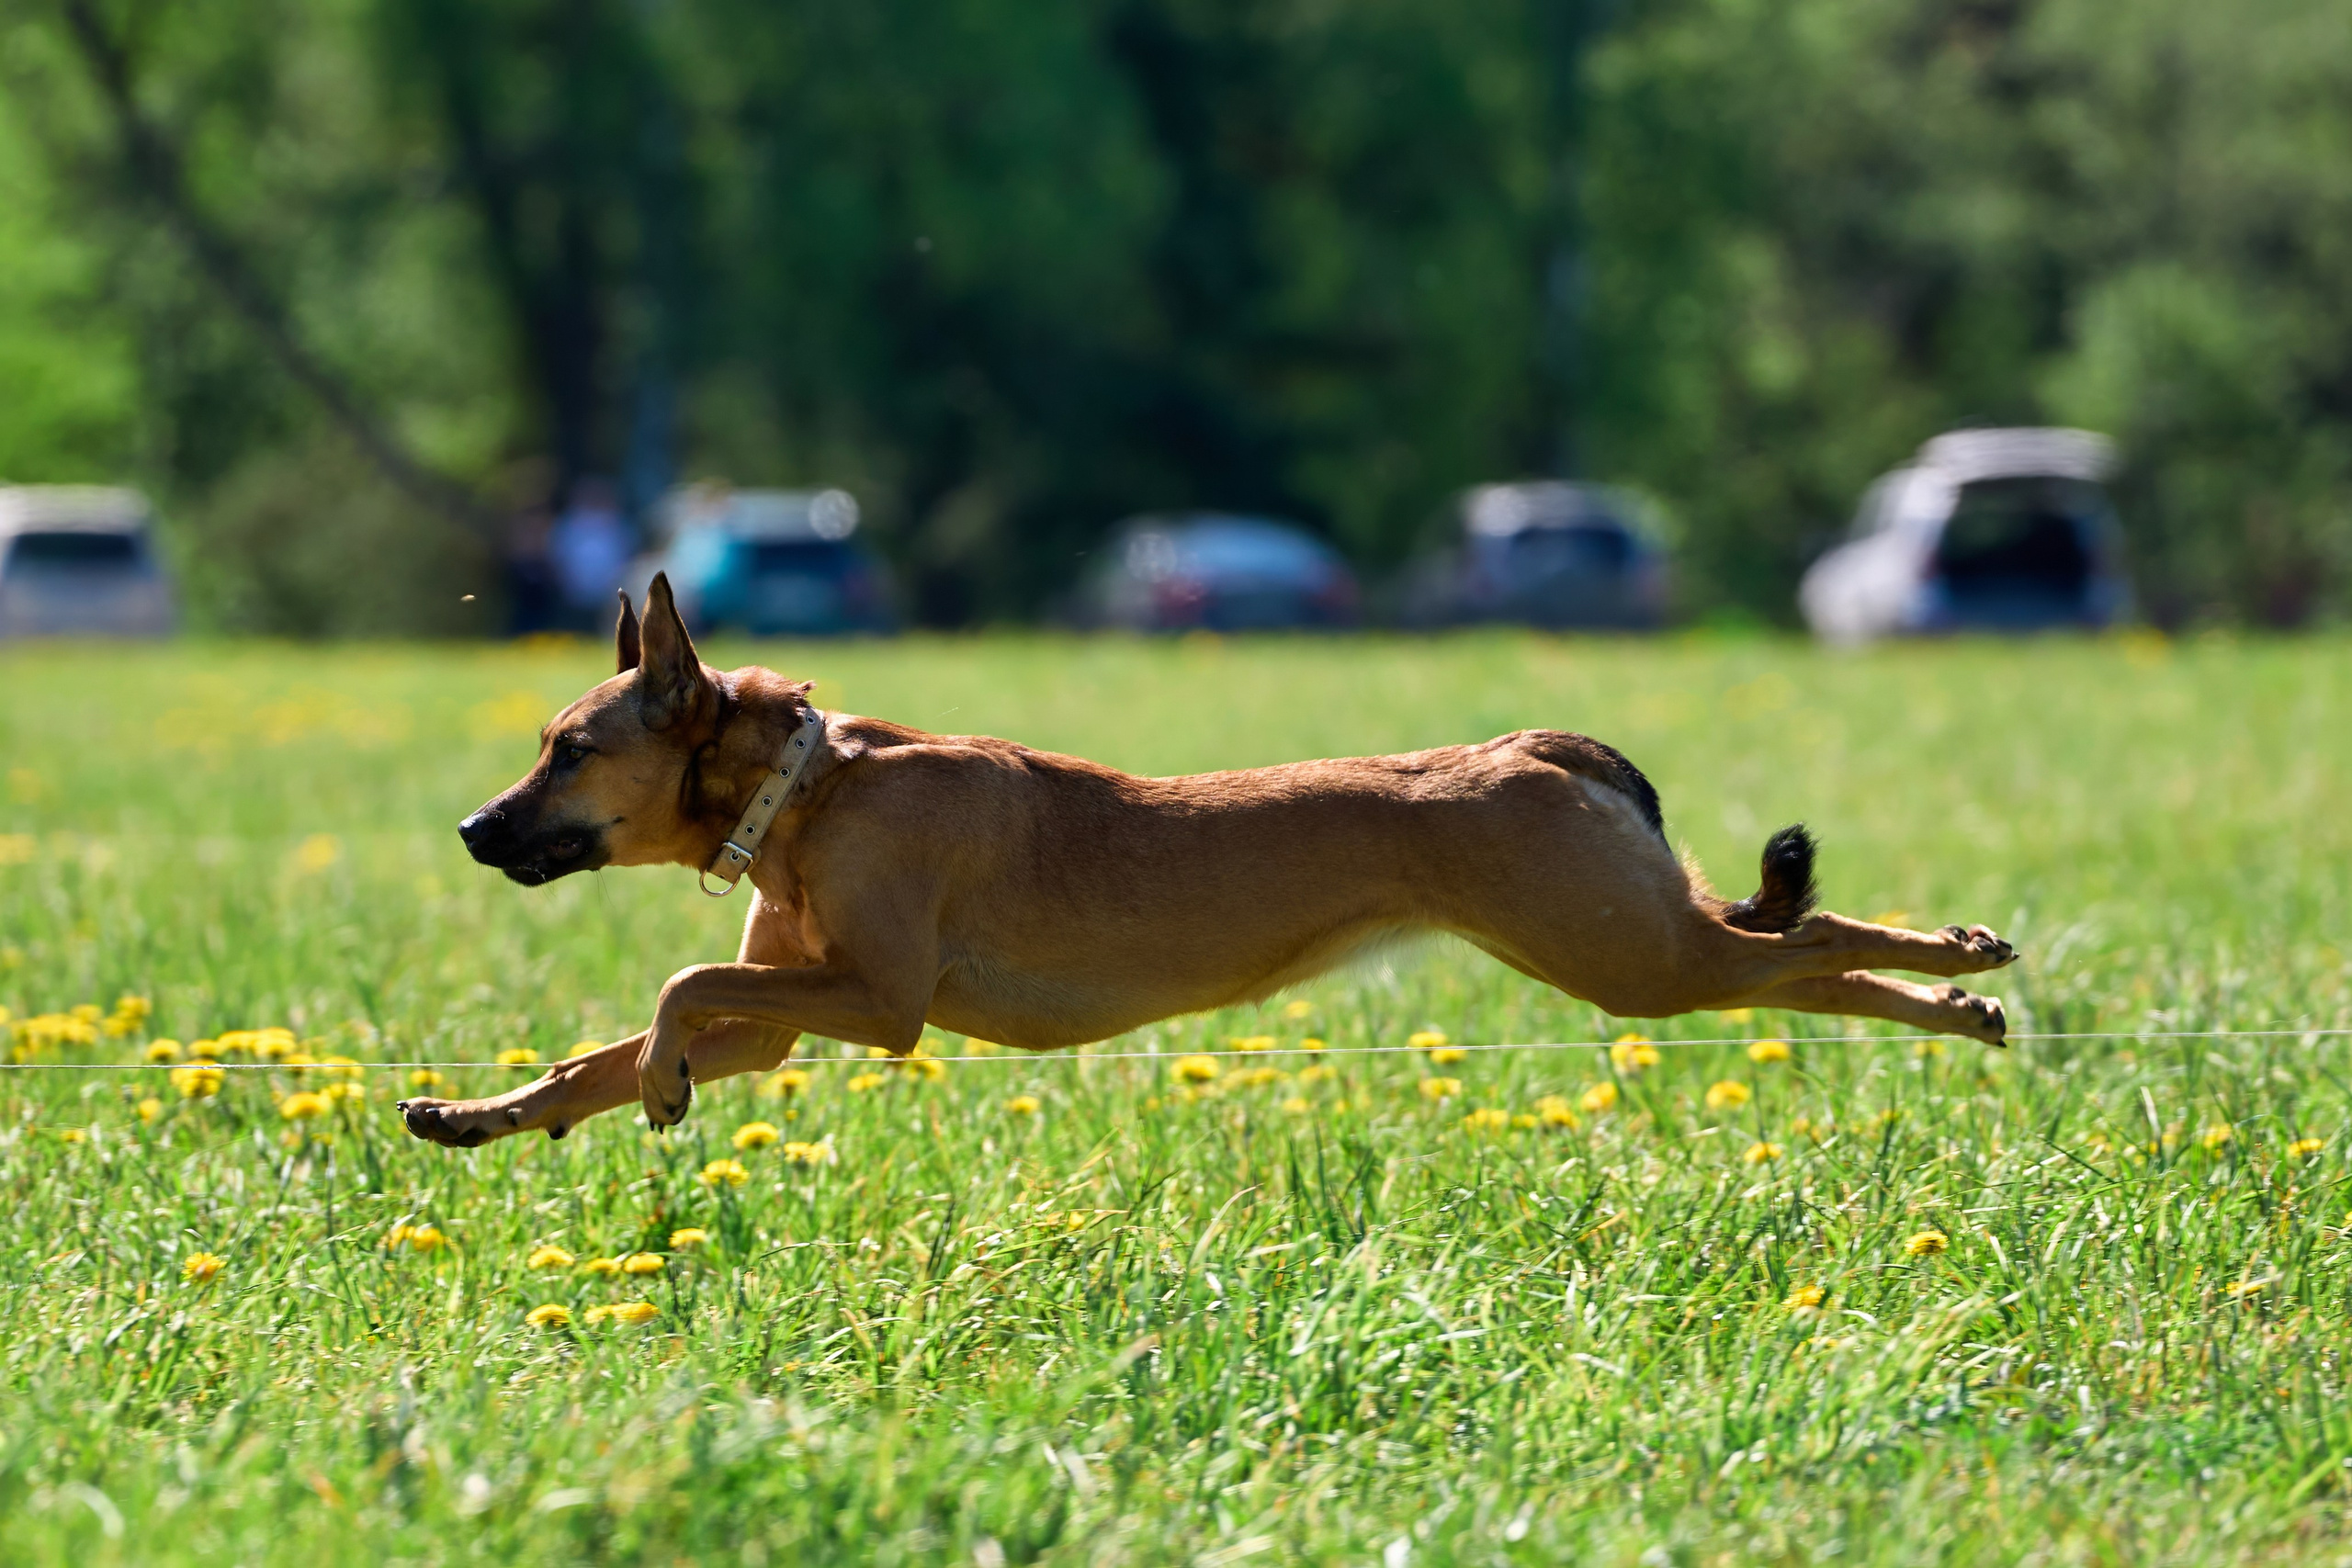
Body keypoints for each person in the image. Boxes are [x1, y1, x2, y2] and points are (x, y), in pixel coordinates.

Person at [548, 478, 633, 628]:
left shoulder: (618, 525)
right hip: (573, 592)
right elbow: (558, 556)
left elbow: (627, 557)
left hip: (609, 592)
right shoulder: (568, 525)